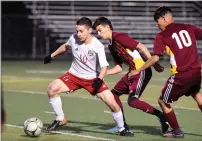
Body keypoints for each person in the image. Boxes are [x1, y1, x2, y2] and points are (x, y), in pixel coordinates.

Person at [43, 17, 134, 136]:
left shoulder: (97, 45)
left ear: (90, 30)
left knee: (112, 103)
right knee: (52, 89)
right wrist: (52, 55)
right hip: (73, 75)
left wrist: (99, 79)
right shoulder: (73, 38)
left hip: (92, 79)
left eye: (81, 31)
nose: (78, 34)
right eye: (77, 31)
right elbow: (66, 46)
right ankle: (60, 118)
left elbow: (104, 66)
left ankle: (122, 129)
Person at [132, 6, 202, 138]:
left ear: (164, 18)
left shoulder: (162, 35)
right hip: (197, 72)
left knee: (163, 101)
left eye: (157, 21)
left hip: (182, 75)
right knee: (197, 95)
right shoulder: (188, 27)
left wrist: (138, 70)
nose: (157, 24)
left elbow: (155, 57)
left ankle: (176, 131)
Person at [93, 17, 169, 134]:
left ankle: (162, 116)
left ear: (108, 27)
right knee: (113, 95)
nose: (98, 34)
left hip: (140, 71)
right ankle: (122, 126)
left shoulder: (119, 37)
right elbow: (118, 68)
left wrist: (153, 62)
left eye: (100, 30)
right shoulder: (111, 45)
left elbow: (141, 46)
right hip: (132, 72)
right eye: (97, 31)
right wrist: (104, 73)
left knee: (132, 101)